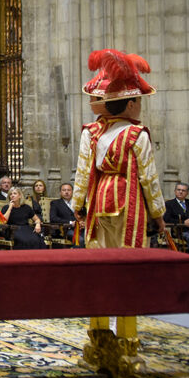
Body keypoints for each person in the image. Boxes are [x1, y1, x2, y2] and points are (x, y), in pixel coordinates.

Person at [71, 49, 166, 249]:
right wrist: (157, 214)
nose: (140, 105)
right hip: (128, 200)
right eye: (139, 100)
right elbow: (148, 177)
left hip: (99, 199)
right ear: (130, 104)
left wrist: (78, 204)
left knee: (103, 252)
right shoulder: (137, 134)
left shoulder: (91, 132)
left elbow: (83, 172)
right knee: (127, 253)